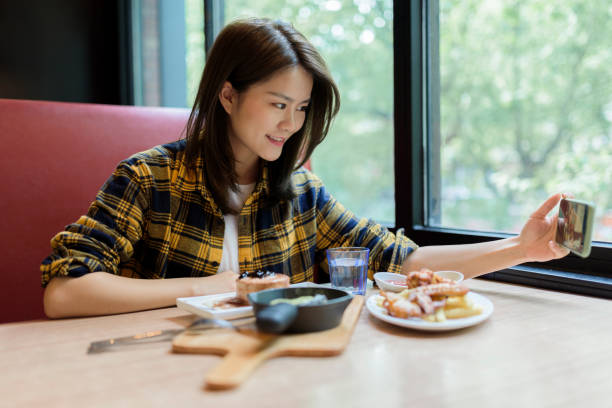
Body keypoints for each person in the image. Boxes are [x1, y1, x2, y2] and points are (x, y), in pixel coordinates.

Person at [41, 18, 569, 318]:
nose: (290, 124)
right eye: (277, 104)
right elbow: (65, 292)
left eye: (300, 109)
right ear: (227, 95)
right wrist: (214, 287)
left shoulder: (300, 192)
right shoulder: (148, 178)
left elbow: (400, 261)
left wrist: (520, 250)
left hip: (279, 376)